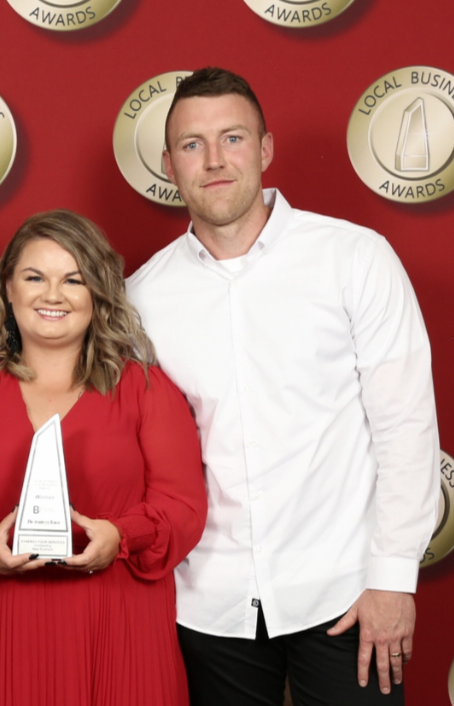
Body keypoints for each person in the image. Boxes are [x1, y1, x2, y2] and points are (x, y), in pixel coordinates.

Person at [126, 67, 440, 706]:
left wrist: (393, 579)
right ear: (168, 162)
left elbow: (406, 429)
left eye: (232, 138)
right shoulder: (142, 297)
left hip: (348, 595)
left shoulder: (354, 258)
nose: (214, 160)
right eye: (192, 144)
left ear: (265, 149)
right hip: (208, 605)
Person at [0, 210, 208, 706]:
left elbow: (183, 508)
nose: (53, 294)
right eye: (35, 277)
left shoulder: (144, 389)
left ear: (98, 292)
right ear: (8, 288)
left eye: (73, 279)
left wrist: (122, 537)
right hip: (7, 638)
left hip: (122, 636)